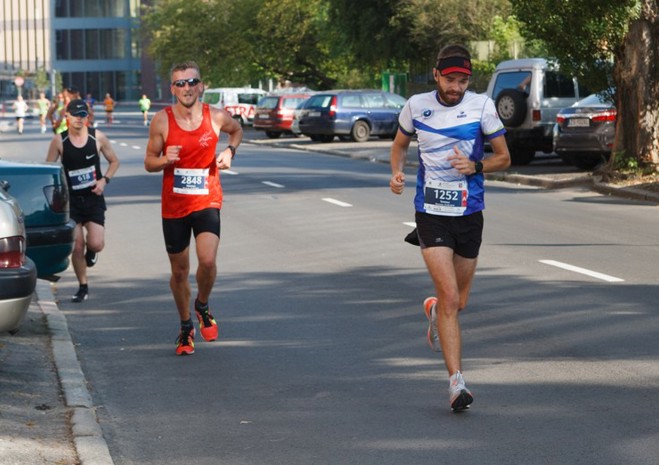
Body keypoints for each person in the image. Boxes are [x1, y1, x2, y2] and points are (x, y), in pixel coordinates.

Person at [389, 44, 511, 412]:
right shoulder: (416, 106)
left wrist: (476, 166)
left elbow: (504, 157)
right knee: (450, 296)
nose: (456, 87)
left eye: (463, 81)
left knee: (458, 302)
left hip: (469, 213)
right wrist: (396, 172)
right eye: (450, 79)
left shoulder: (482, 106)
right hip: (431, 212)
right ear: (436, 75)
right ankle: (457, 382)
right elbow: (399, 145)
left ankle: (434, 309)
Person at [144, 61, 243, 356]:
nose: (186, 88)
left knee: (208, 261)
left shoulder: (216, 116)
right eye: (180, 83)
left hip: (206, 199)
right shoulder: (161, 121)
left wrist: (229, 151)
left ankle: (202, 304)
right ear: (172, 89)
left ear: (201, 86)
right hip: (174, 206)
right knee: (179, 272)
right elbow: (149, 161)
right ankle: (186, 325)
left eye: (191, 82)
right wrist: (165, 160)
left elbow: (237, 130)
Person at [46, 99, 120, 302]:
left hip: (93, 198)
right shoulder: (59, 141)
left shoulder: (97, 137)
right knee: (77, 246)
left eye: (83, 115)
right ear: (67, 116)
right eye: (75, 115)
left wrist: (104, 180)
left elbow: (114, 161)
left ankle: (92, 252)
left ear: (88, 117)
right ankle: (83, 286)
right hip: (72, 202)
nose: (79, 119)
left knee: (95, 243)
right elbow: (49, 169)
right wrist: (56, 193)